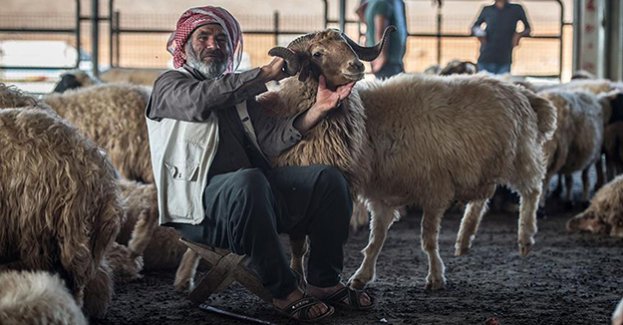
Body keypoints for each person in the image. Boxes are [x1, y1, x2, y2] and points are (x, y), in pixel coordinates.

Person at [145, 6, 373, 322]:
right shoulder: (169, 86)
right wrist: (264, 74)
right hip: (199, 208)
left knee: (328, 180)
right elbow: (199, 101)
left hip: (254, 199)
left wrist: (319, 110)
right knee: (248, 180)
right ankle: (283, 291)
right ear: (183, 45)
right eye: (203, 37)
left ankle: (324, 282)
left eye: (222, 38)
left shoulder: (238, 96)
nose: (213, 45)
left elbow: (271, 139)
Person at [471, 0, 531, 75]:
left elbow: (528, 29)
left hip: (505, 57)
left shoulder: (516, 9)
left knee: (502, 83)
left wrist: (518, 35)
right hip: (486, 56)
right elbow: (474, 27)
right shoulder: (487, 9)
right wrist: (480, 35)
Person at [356, 0, 407, 79]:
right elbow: (381, 31)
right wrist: (381, 58)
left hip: (392, 61)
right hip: (387, 63)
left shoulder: (394, 3)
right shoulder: (382, 3)